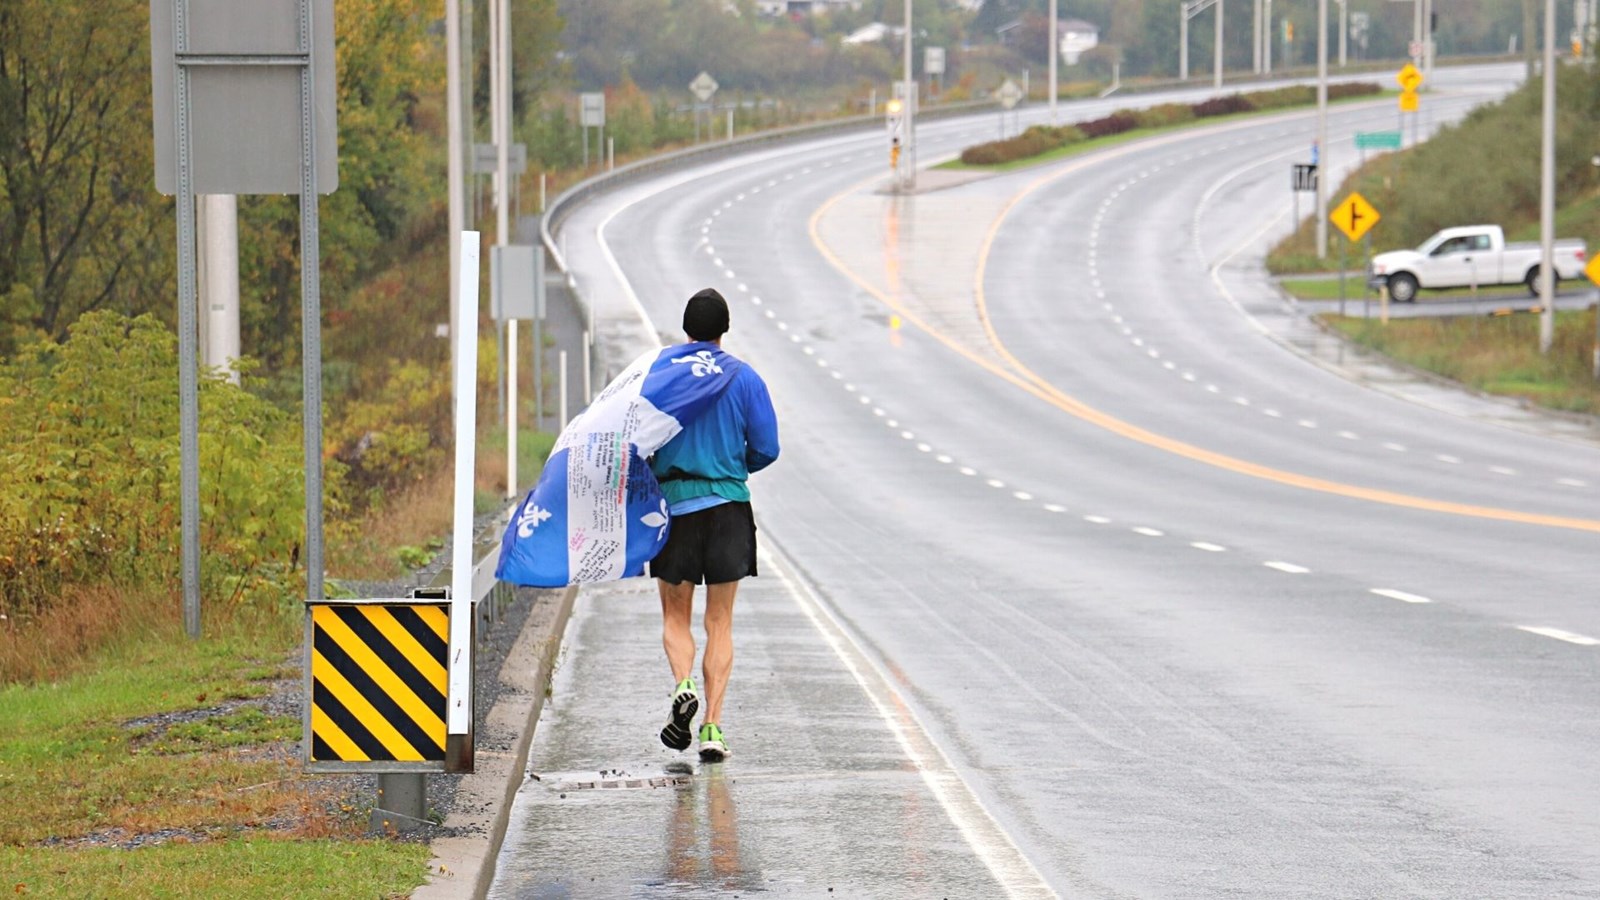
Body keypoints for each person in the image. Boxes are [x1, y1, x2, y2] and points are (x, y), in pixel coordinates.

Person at [650, 288, 779, 762]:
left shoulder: (661, 375)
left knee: (675, 617)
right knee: (719, 622)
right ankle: (712, 729)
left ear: (685, 328)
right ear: (724, 330)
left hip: (675, 509)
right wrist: (730, 465)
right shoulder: (745, 379)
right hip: (728, 509)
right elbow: (767, 448)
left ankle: (683, 685)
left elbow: (637, 433)